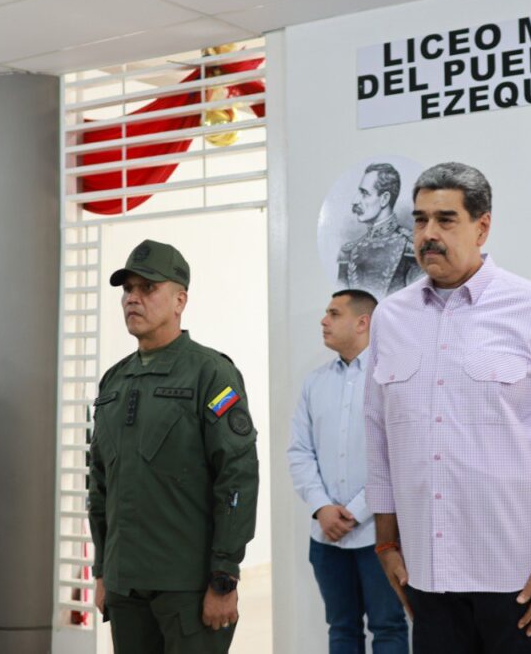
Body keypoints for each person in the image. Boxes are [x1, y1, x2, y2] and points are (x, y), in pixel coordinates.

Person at [364, 162, 531, 653]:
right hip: (428, 571)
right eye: (420, 220)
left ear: (482, 227)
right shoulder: (391, 317)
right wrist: (387, 542)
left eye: (445, 219)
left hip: (520, 575)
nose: (429, 234)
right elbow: (378, 437)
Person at [88, 239, 259, 654]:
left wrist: (224, 576)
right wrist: (103, 570)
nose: (132, 298)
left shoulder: (210, 374)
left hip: (188, 586)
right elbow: (100, 483)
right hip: (126, 585)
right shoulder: (114, 381)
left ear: (180, 300)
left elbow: (237, 476)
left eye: (148, 288)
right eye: (128, 289)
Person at [287, 289, 409, 653]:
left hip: (379, 533)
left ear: (362, 322)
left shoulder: (392, 379)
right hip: (327, 537)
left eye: (334, 313)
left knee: (388, 627)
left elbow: (400, 457)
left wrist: (354, 512)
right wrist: (322, 508)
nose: (323, 321)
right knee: (341, 629)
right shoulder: (315, 382)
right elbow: (299, 451)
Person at [337, 162, 423, 298]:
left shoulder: (411, 248)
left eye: (364, 193)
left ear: (384, 199)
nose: (355, 201)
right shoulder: (348, 251)